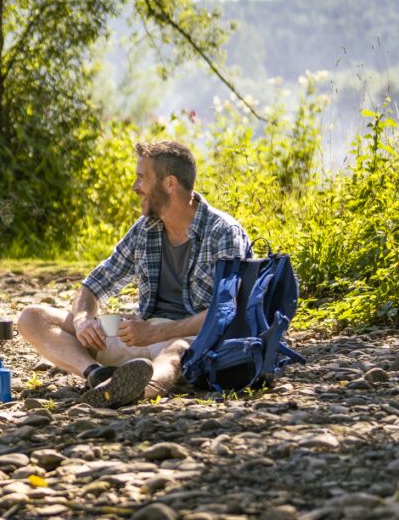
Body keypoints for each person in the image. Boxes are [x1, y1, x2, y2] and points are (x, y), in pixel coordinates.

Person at [15, 138, 252, 407]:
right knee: (32, 317)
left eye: (142, 178)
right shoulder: (145, 228)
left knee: (176, 351)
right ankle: (98, 376)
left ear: (170, 183)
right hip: (141, 333)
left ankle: (139, 391)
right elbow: (95, 284)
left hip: (194, 340)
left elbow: (225, 311)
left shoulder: (223, 233)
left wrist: (156, 335)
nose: (135, 187)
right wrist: (83, 321)